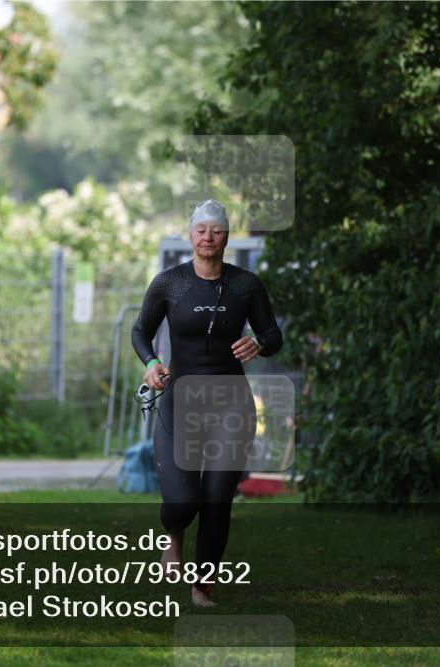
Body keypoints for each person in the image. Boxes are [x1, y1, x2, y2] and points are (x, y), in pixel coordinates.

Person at [130, 198, 282, 607]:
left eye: (216, 230)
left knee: (217, 498)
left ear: (227, 236)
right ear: (191, 234)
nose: (208, 237)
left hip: (230, 404)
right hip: (181, 403)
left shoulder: (245, 285)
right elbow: (140, 330)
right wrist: (153, 363)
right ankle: (174, 534)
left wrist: (259, 342)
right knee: (181, 503)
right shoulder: (170, 283)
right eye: (201, 230)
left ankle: (201, 588)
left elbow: (274, 336)